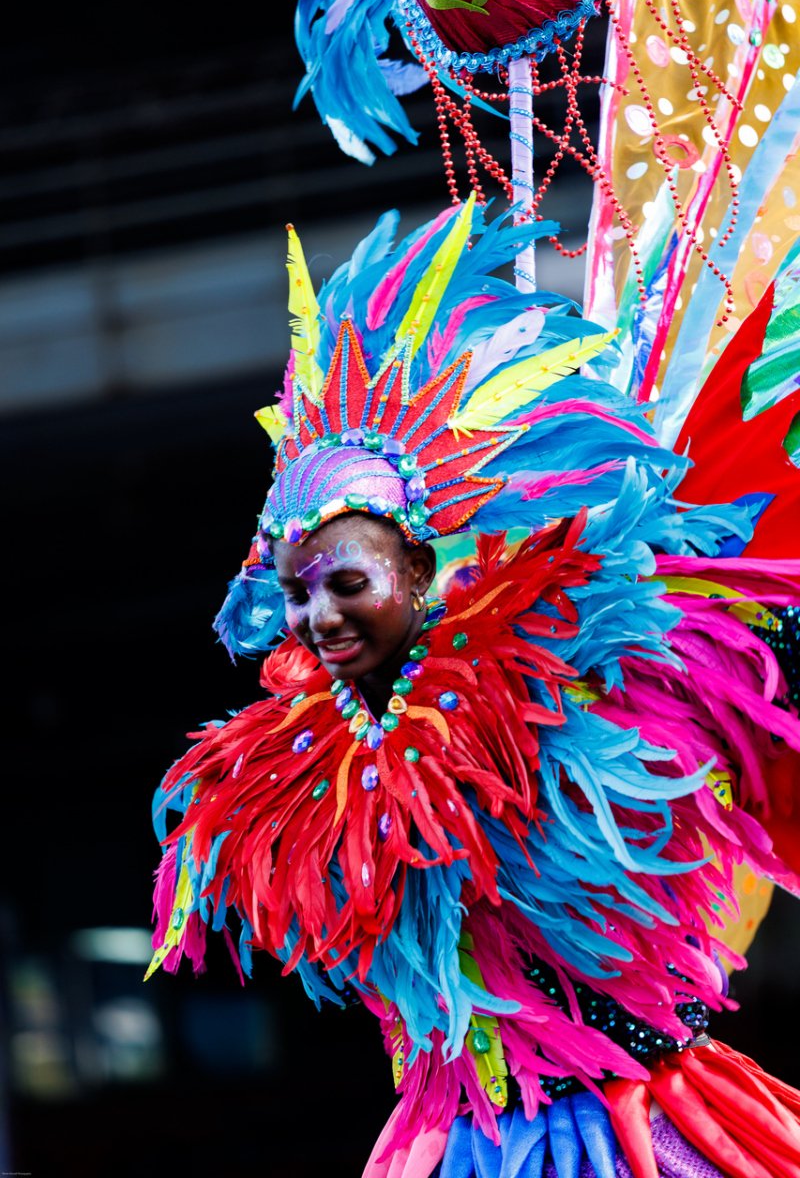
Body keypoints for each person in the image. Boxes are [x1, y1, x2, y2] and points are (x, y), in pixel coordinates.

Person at [149, 202, 800, 1178]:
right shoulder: (296, 766)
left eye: (347, 582)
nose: (318, 616)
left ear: (418, 570)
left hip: (638, 1123)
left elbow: (724, 663)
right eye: (296, 593)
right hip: (452, 1143)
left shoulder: (558, 672)